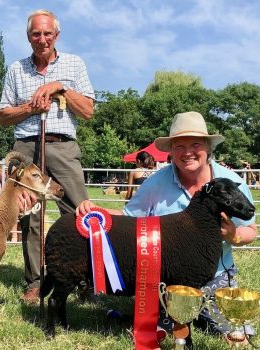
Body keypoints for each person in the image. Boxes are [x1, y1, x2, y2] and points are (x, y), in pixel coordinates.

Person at [77, 111, 257, 345]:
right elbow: (128, 217)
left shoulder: (231, 182)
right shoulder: (155, 182)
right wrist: (95, 212)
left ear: (208, 148)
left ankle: (202, 312)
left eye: (195, 144)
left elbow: (251, 230)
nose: (188, 152)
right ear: (171, 151)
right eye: (179, 146)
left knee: (237, 335)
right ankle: (175, 316)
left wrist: (234, 235)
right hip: (167, 280)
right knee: (158, 331)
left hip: (215, 276)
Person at [0, 9, 95, 304]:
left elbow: (89, 111)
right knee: (31, 215)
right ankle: (35, 281)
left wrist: (60, 87)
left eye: (47, 33)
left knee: (80, 213)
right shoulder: (16, 69)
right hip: (27, 147)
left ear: (57, 35)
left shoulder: (74, 65)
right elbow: (3, 116)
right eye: (36, 34)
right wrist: (30, 108)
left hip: (63, 146)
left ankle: (86, 279)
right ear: (29, 37)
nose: (42, 39)